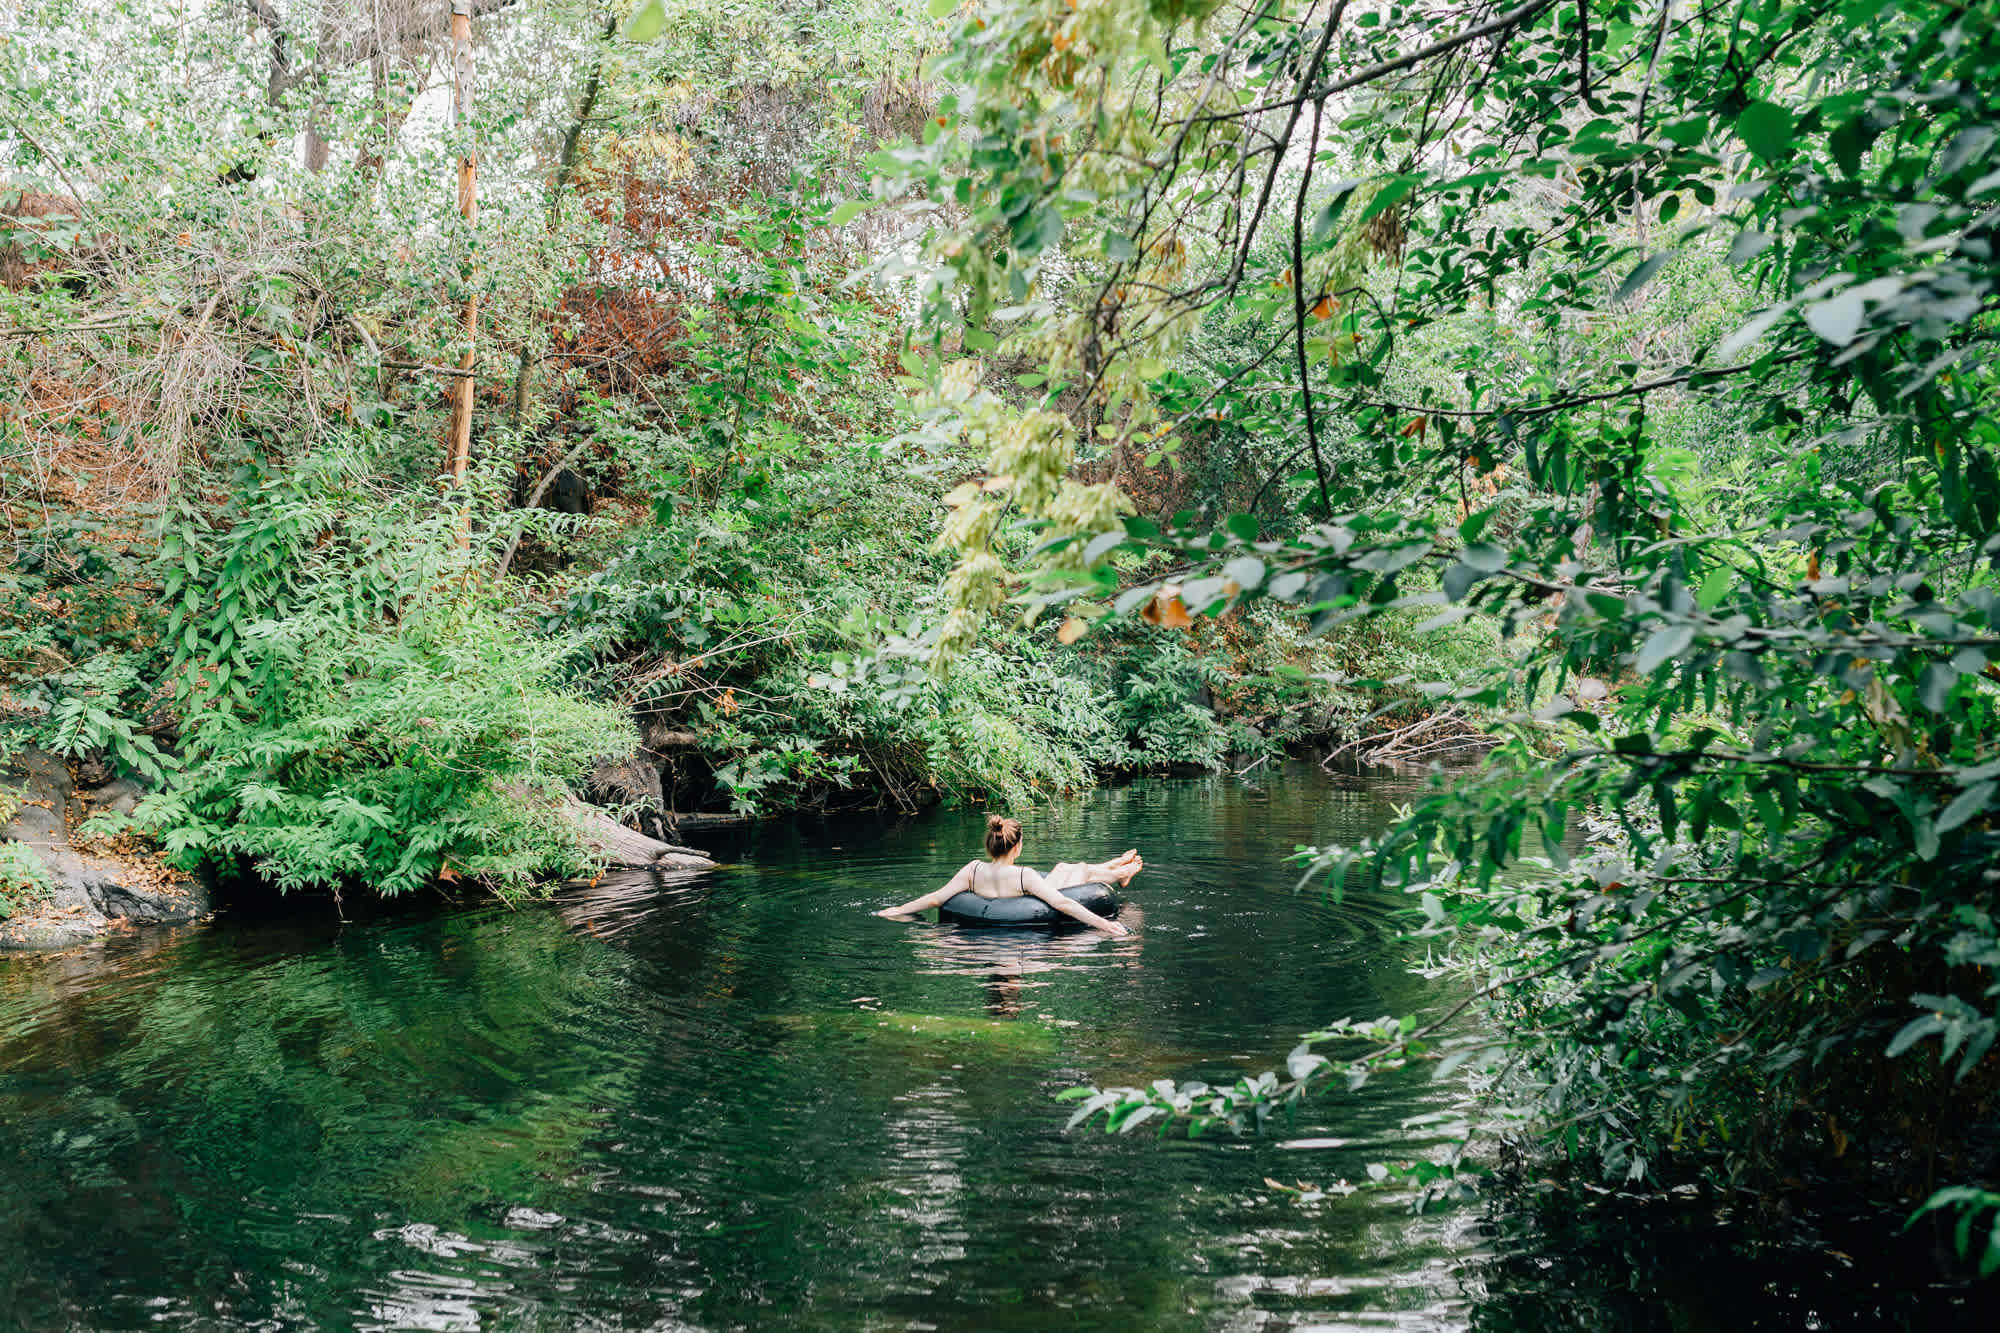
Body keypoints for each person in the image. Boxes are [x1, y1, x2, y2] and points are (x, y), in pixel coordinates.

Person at [875, 815, 1139, 935]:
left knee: (1068, 868)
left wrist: (896, 910)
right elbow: (1063, 903)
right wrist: (1106, 925)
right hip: (1025, 907)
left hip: (987, 913)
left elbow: (935, 899)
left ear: (990, 844)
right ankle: (1120, 872)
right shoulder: (1024, 875)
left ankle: (1117, 868)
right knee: (1072, 869)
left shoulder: (973, 869)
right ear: (1018, 846)